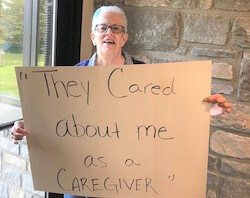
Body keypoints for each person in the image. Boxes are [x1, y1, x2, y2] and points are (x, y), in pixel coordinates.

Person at [11, 5, 232, 198]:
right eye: (102, 27)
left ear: (124, 37)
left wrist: (204, 112)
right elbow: (51, 118)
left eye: (116, 28)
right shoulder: (70, 78)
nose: (109, 32)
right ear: (93, 36)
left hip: (130, 181)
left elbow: (166, 118)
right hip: (81, 181)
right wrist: (25, 125)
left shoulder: (148, 77)